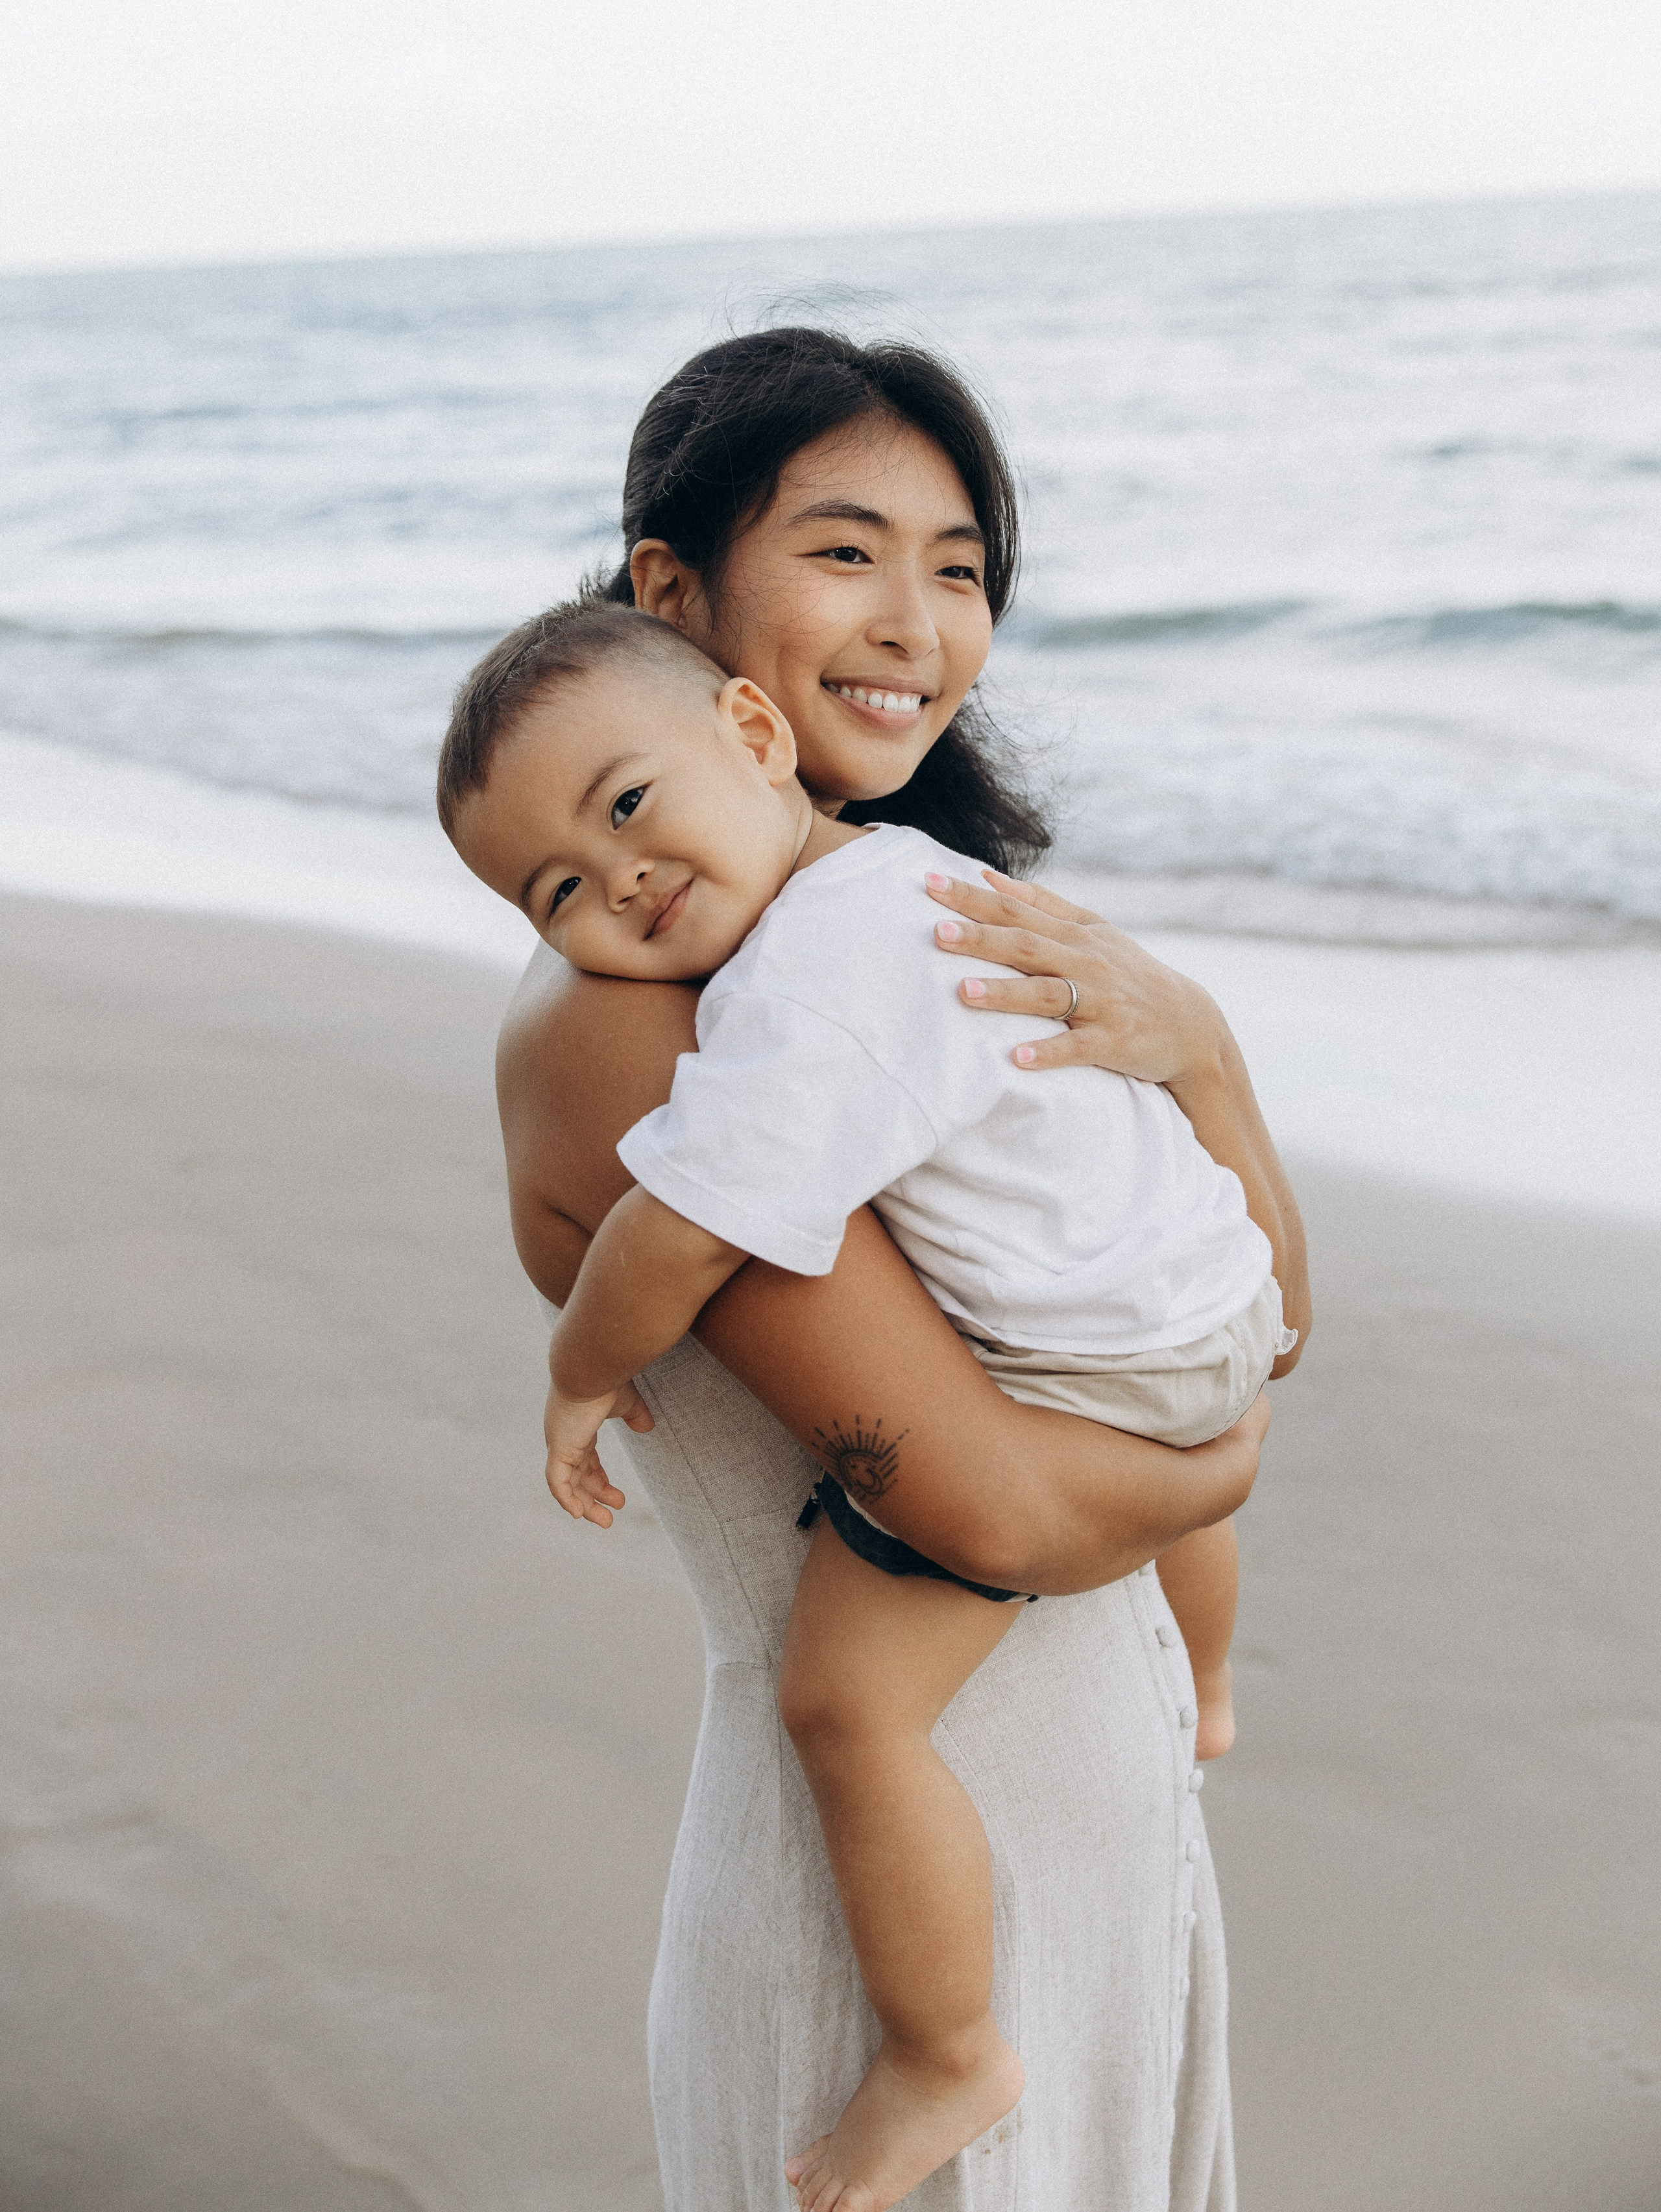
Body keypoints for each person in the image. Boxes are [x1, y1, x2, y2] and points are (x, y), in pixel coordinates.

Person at [483, 328, 1308, 2211]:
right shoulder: (640, 1035)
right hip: (901, 1939)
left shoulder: (886, 931)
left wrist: (1199, 1044)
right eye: (847, 550)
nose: (915, 623)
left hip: (1089, 1851)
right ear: (673, 595)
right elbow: (995, 1501)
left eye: (959, 567)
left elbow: (1262, 1296)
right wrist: (1219, 1468)